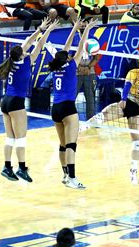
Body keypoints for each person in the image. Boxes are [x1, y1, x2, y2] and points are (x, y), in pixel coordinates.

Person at [81, 60, 139, 185]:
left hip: (138, 109)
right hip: (127, 102)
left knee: (137, 142)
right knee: (103, 115)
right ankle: (82, 128)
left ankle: (133, 171)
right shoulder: (133, 72)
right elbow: (127, 86)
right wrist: (123, 99)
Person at [0, 18, 57, 182]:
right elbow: (38, 44)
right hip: (16, 103)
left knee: (10, 138)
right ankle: (22, 168)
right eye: (24, 52)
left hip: (6, 101)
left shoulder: (13, 61)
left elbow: (28, 43)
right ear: (21, 55)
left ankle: (7, 167)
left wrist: (40, 28)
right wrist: (47, 31)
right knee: (20, 138)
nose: (27, 52)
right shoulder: (26, 62)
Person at [48, 19, 98, 189]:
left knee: (62, 144)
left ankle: (64, 174)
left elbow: (65, 49)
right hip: (68, 108)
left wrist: (75, 27)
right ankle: (72, 178)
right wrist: (87, 30)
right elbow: (81, 45)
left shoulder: (56, 67)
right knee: (71, 145)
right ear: (67, 59)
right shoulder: (71, 66)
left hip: (55, 109)